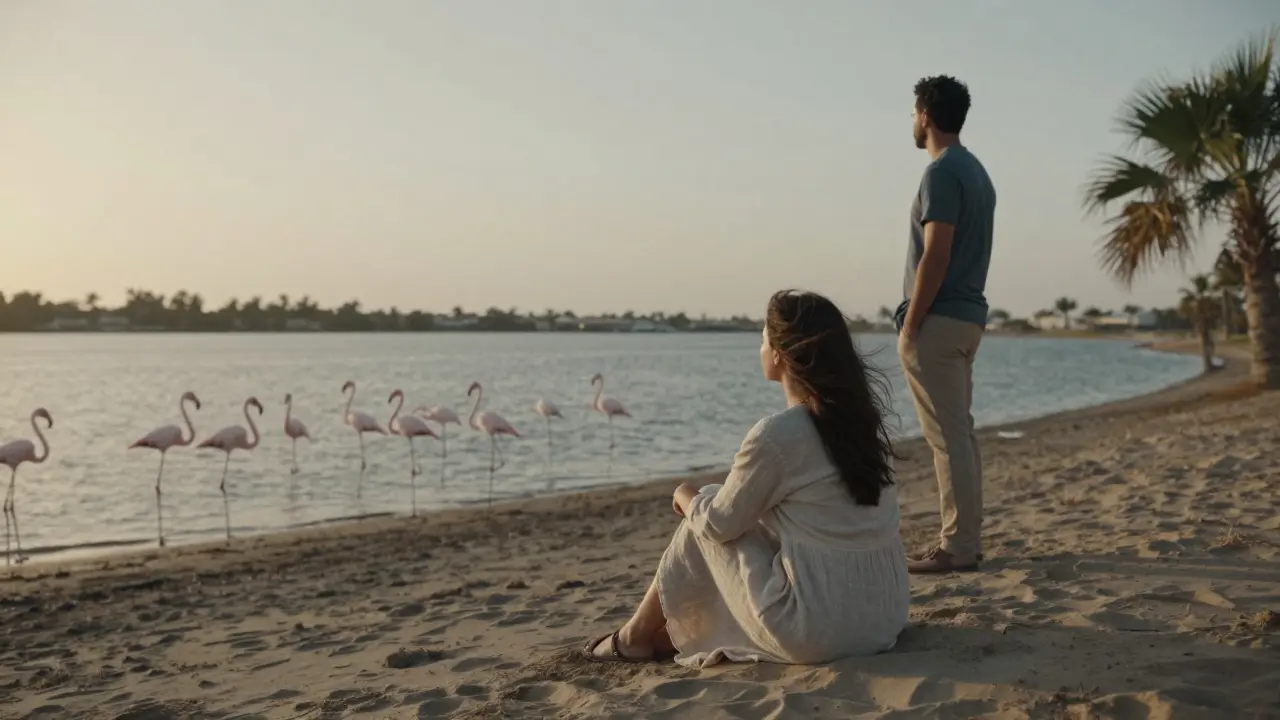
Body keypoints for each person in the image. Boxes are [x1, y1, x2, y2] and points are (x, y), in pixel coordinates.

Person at [583, 290, 910, 667]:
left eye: (762, 338)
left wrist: (685, 493)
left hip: (820, 631)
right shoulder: (863, 425)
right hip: (884, 618)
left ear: (779, 354)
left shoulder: (780, 434)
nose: (759, 348)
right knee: (744, 516)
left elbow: (720, 525)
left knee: (704, 509)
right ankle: (659, 633)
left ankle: (634, 637)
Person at [893, 75, 996, 574]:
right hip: (967, 319)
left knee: (947, 438)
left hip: (939, 320)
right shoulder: (977, 171)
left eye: (914, 113)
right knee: (959, 434)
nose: (912, 121)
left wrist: (912, 322)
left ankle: (958, 547)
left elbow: (937, 252)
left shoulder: (942, 172)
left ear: (926, 116)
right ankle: (966, 541)